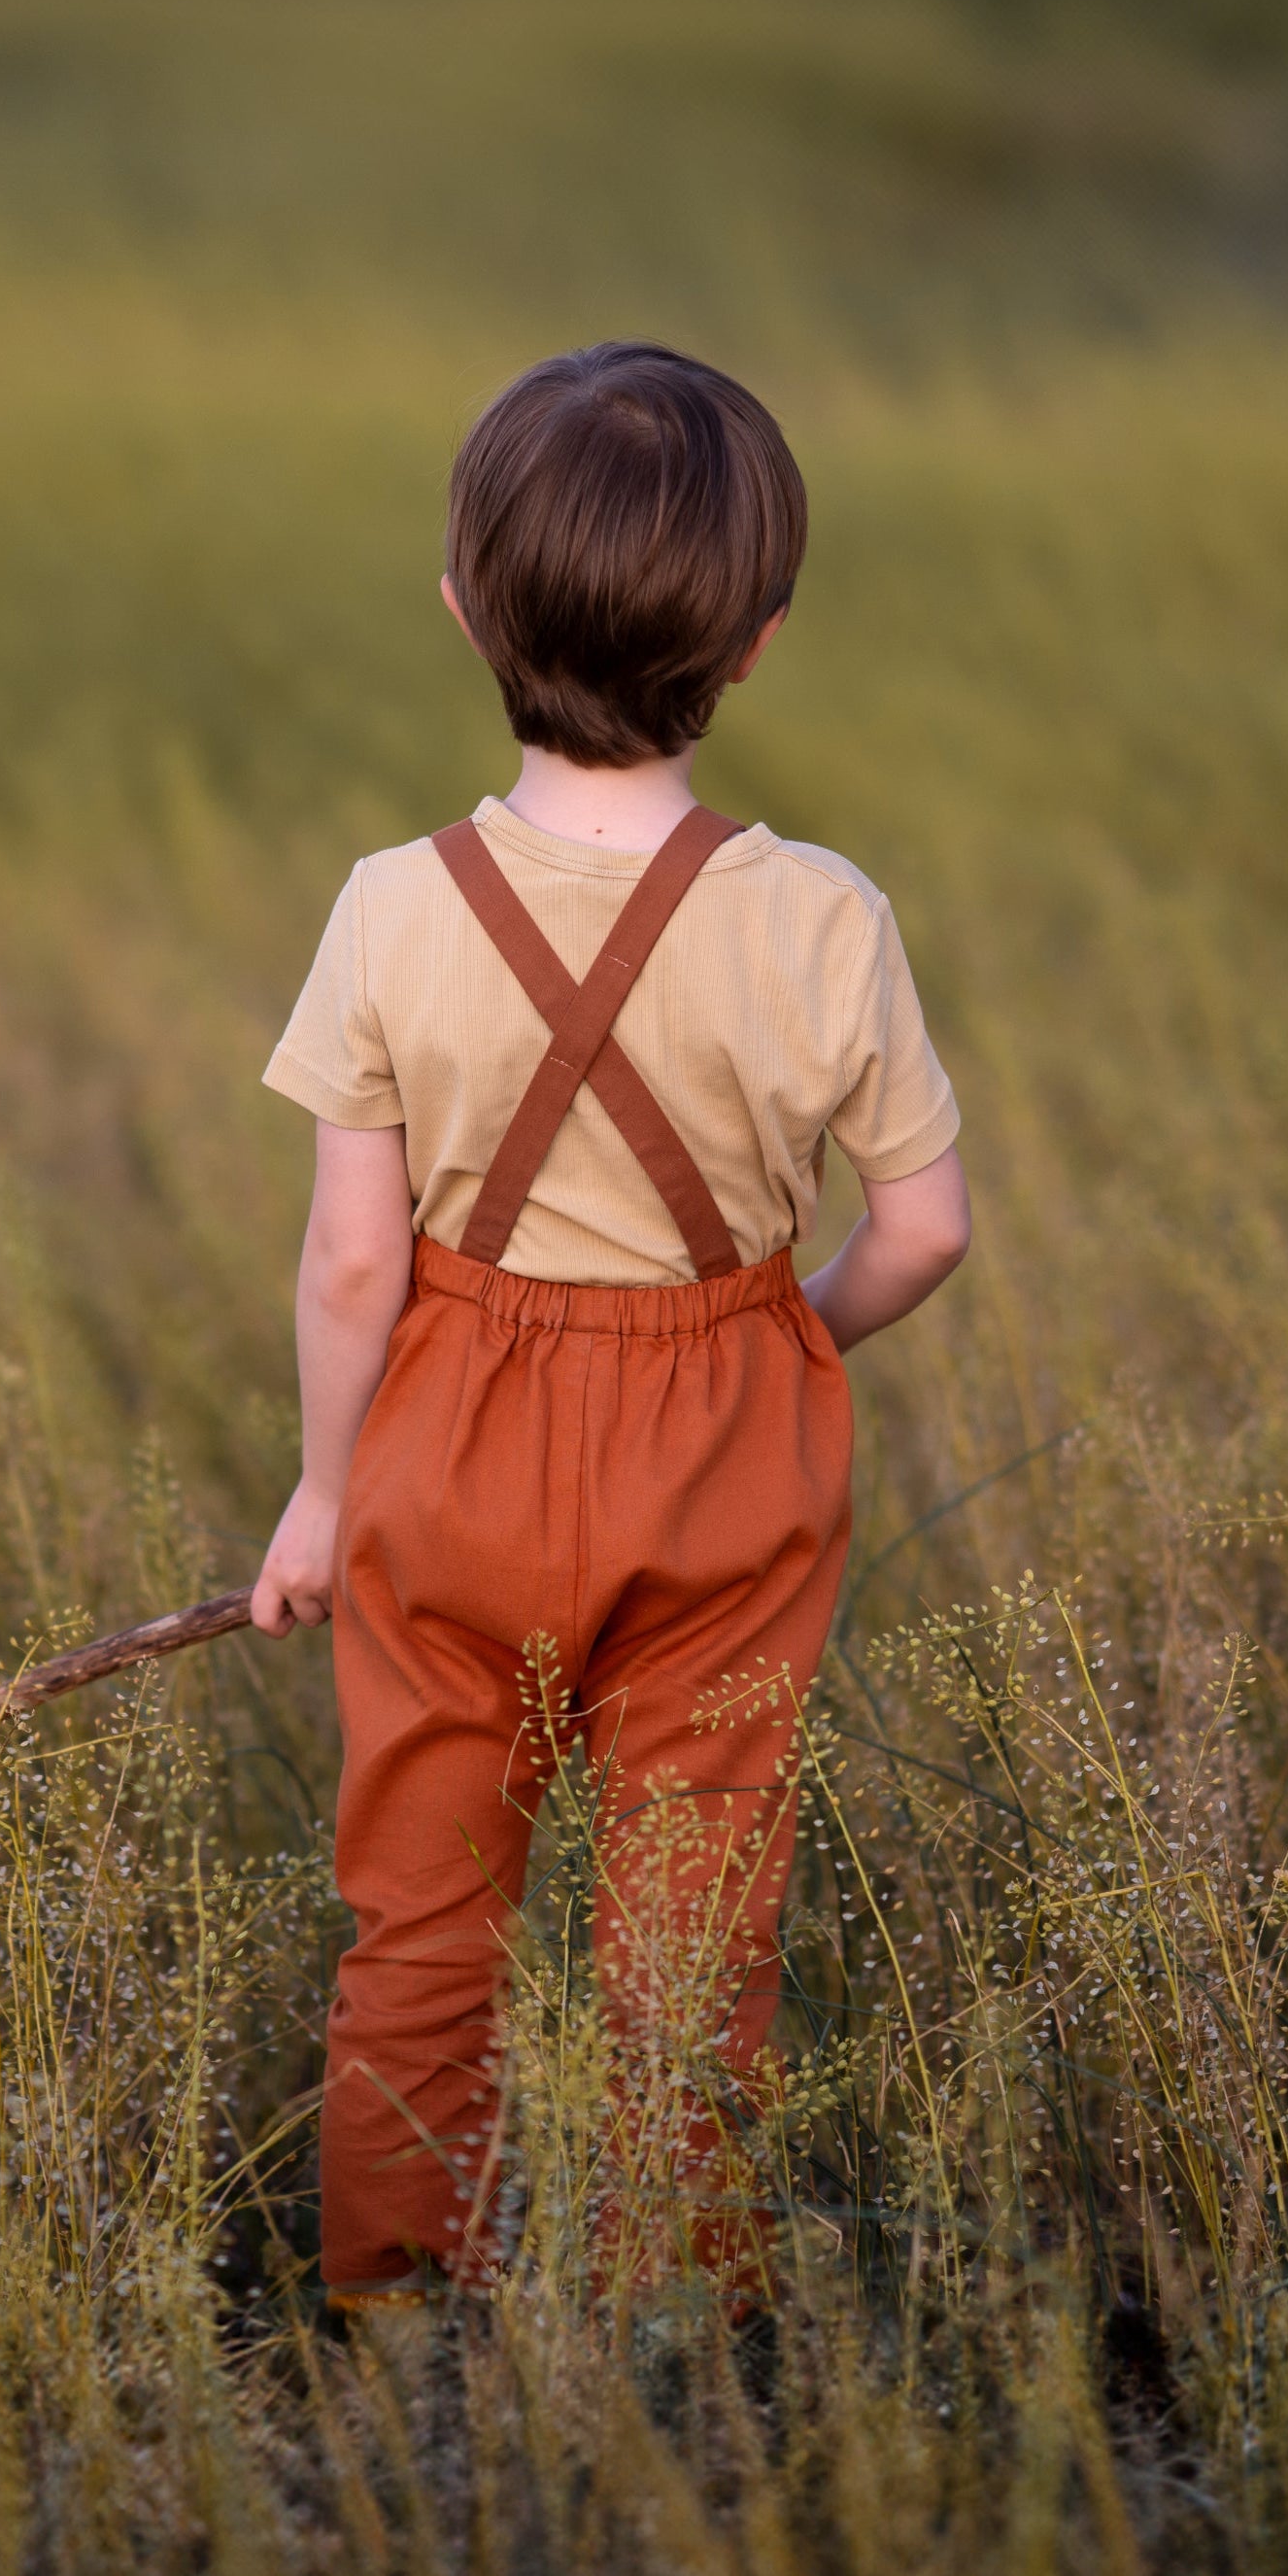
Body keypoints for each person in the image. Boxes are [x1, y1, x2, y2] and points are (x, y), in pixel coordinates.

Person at [251, 339, 971, 2309]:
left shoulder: (394, 907)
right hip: (732, 1442)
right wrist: (784, 1334)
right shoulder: (823, 914)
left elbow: (345, 1265)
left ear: (465, 608)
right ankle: (677, 2322)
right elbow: (923, 1230)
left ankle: (396, 2313)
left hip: (448, 1447)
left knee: (419, 1925)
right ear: (755, 640)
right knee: (690, 1937)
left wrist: (328, 1498)